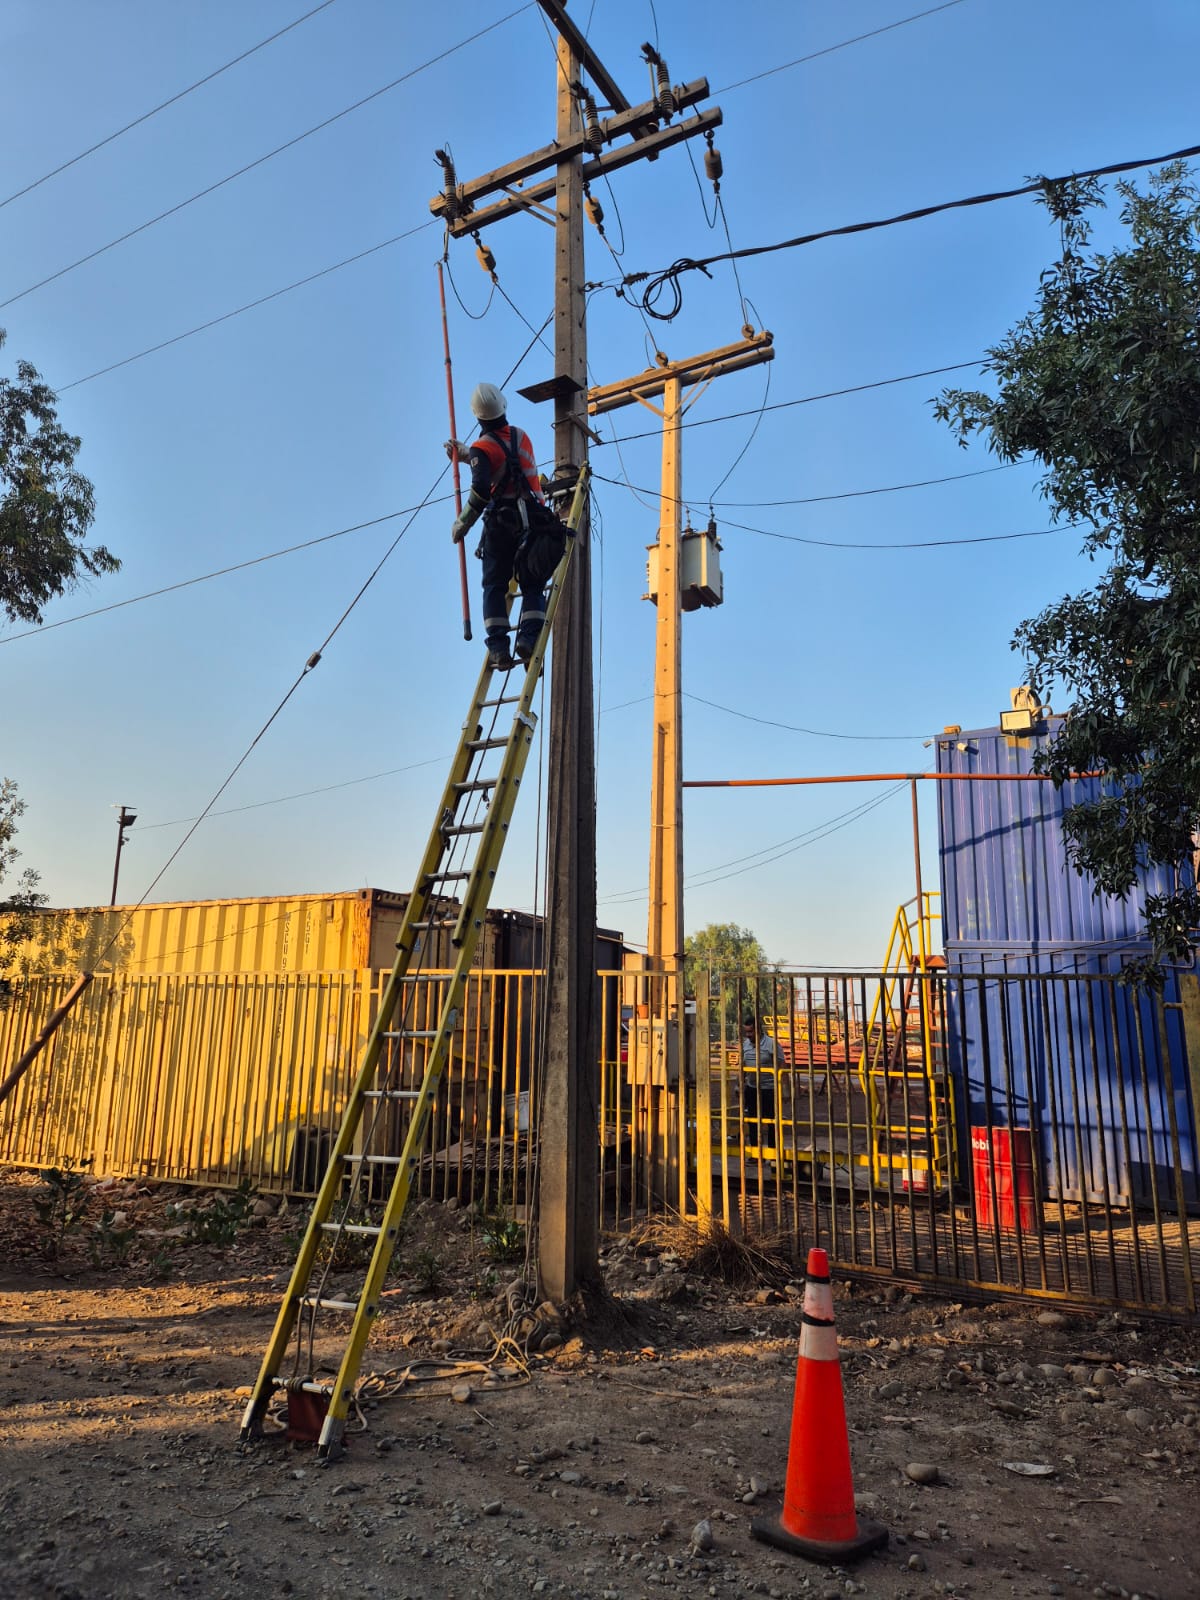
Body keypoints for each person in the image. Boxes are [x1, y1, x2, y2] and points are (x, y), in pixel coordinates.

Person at [445, 382, 549, 672]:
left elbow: (481, 490)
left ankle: (500, 649)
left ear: (478, 417)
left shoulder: (483, 448)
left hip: (502, 525)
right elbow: (506, 461)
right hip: (536, 521)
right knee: (533, 584)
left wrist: (462, 524)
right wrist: (469, 456)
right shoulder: (522, 437)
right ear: (503, 407)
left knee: (494, 586)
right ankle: (527, 640)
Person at [740, 1011, 778, 1134]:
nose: (748, 1035)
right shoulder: (745, 1045)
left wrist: (785, 1090)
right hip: (752, 1088)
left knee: (772, 1121)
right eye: (746, 1032)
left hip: (769, 1089)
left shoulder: (771, 1043)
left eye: (750, 1032)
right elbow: (742, 1067)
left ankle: (773, 1150)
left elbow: (782, 1066)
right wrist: (738, 1084)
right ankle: (754, 1149)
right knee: (752, 1120)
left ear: (758, 1030)